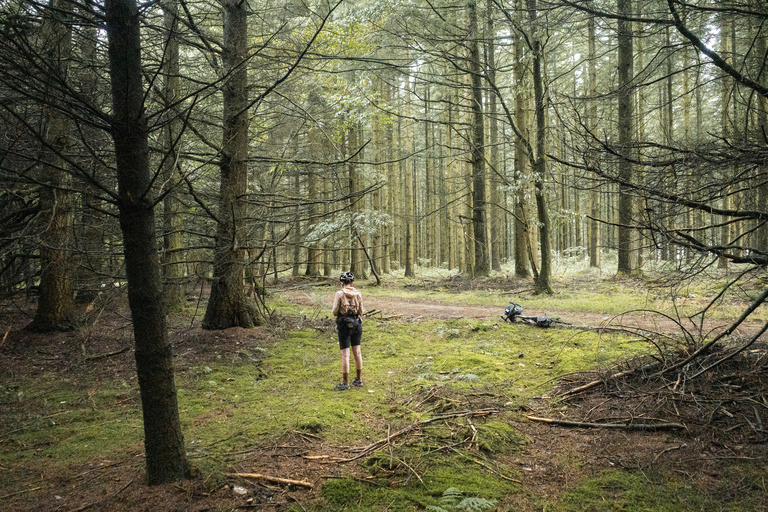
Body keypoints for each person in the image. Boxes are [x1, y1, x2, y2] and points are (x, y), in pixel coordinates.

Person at [331, 271, 364, 391]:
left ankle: (345, 383)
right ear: (352, 282)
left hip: (344, 325)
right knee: (358, 352)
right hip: (357, 324)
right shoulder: (358, 294)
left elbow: (334, 311)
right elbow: (361, 312)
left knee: (345, 354)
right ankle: (358, 379)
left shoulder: (339, 294)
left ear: (341, 283)